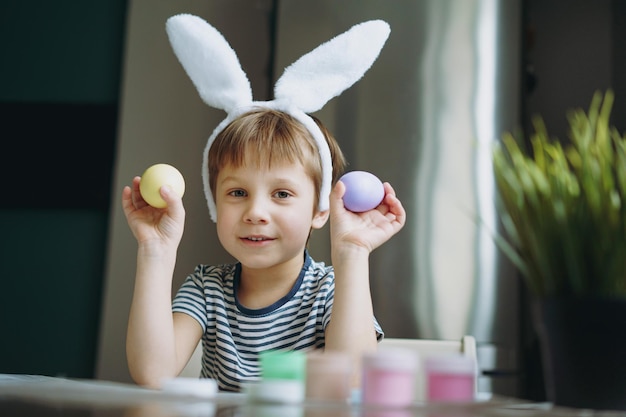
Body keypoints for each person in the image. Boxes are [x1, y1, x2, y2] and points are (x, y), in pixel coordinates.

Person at [123, 14, 404, 392]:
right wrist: (155, 251)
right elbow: (152, 373)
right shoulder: (207, 289)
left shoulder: (329, 292)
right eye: (237, 193)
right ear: (214, 204)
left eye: (282, 194)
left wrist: (352, 254)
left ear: (320, 209)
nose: (255, 213)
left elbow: (353, 382)